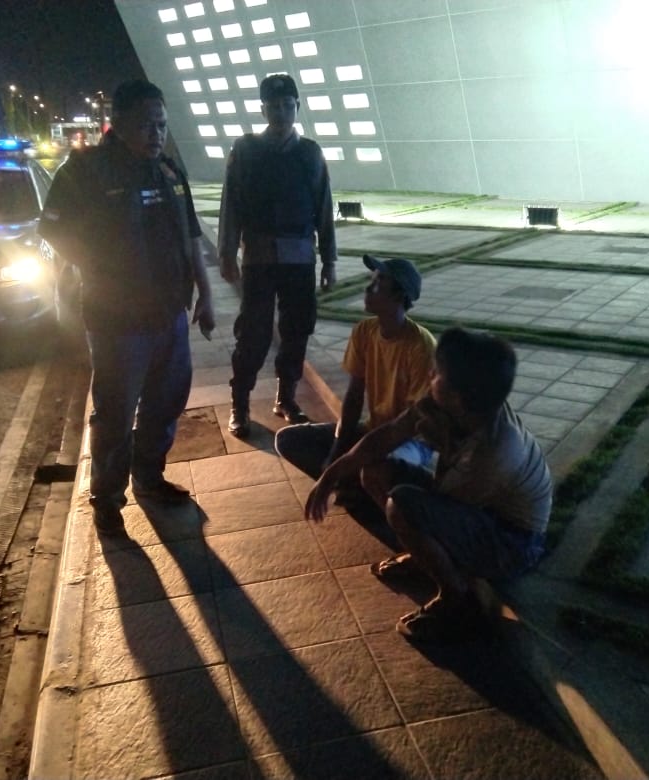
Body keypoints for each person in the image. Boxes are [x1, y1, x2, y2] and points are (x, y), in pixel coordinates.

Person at [39, 79, 215, 535]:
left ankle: (149, 478)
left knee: (166, 402)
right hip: (117, 322)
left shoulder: (169, 173)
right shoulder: (85, 171)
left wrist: (206, 293)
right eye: (146, 125)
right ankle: (107, 498)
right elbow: (53, 229)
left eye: (161, 125)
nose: (156, 134)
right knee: (115, 413)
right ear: (117, 123)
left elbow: (191, 237)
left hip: (170, 315)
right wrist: (100, 266)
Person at [305, 328, 552, 643]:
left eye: (436, 372)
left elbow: (440, 502)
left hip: (512, 542)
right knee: (375, 471)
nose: (430, 375)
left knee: (403, 506)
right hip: (476, 509)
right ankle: (423, 558)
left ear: (457, 396)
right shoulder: (457, 404)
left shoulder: (495, 452)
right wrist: (331, 475)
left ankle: (455, 596)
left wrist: (444, 444)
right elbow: (387, 436)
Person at [218, 73, 337, 439]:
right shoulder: (245, 149)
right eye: (274, 106)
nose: (281, 112)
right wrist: (226, 253)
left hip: (300, 257)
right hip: (258, 257)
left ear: (297, 107)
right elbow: (230, 205)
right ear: (263, 109)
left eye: (288, 105)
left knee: (297, 330)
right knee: (253, 332)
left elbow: (323, 207)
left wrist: (330, 260)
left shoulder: (310, 152)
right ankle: (240, 403)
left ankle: (286, 398)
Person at [275, 254, 436, 510]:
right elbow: (354, 395)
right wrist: (337, 452)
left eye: (378, 283)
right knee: (288, 440)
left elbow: (410, 424)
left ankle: (369, 493)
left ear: (399, 296)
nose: (368, 288)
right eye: (372, 280)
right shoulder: (364, 331)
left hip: (409, 441)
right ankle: (353, 487)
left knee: (377, 467)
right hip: (374, 429)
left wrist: (351, 456)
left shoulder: (421, 347)